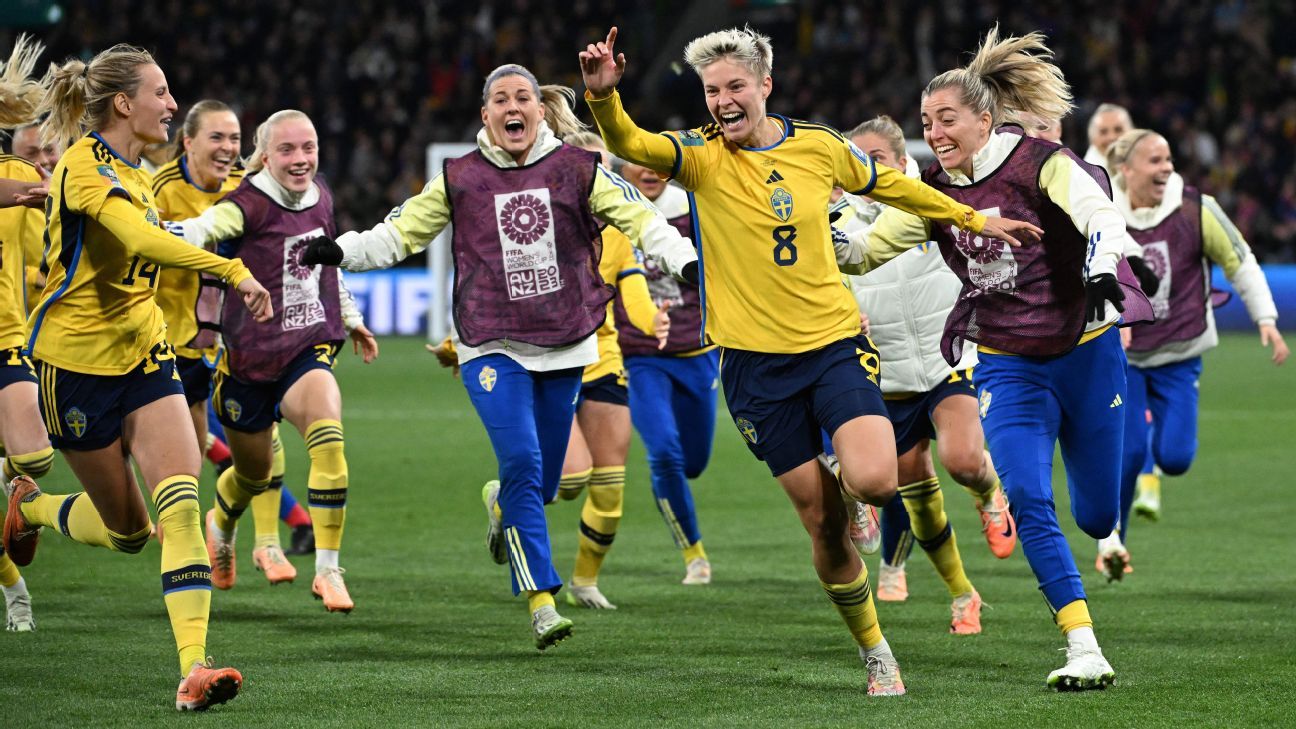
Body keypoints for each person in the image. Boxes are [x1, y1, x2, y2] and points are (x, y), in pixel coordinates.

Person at [579, 25, 1041, 696]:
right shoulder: (700, 158)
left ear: (765, 85)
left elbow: (896, 189)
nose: (723, 100)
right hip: (753, 370)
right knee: (824, 528)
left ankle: (854, 490)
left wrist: (971, 218)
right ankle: (876, 650)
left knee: (879, 479)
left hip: (831, 347)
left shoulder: (821, 147)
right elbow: (629, 144)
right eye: (712, 90)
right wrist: (604, 101)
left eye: (736, 86)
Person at [299, 65, 699, 649]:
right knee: (524, 465)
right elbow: (402, 231)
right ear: (485, 115)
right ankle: (541, 600)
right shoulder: (460, 177)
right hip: (490, 343)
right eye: (500, 99)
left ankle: (499, 509)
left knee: (537, 486)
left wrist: (685, 258)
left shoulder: (578, 170)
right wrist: (343, 250)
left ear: (539, 110)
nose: (514, 107)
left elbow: (641, 219)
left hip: (565, 342)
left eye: (524, 98)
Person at [837, 27, 1153, 690]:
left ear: (985, 118)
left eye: (947, 118)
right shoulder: (934, 190)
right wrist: (798, 219)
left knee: (1095, 513)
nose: (936, 132)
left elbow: (1102, 216)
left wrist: (1101, 270)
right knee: (1030, 497)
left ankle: (1105, 528)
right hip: (1008, 362)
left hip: (1088, 351)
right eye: (927, 122)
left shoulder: (1041, 162)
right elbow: (861, 253)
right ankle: (1082, 642)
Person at [2, 43, 271, 710]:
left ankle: (193, 668)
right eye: (162, 93)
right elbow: (144, 240)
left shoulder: (143, 169)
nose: (173, 105)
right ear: (124, 103)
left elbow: (181, 206)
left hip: (146, 355)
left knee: (180, 503)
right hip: (76, 368)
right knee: (127, 531)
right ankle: (28, 506)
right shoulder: (84, 170)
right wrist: (232, 270)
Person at [165, 109, 376, 611]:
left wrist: (350, 317)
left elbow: (328, 265)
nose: (300, 158)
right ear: (263, 156)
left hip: (307, 347)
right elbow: (205, 228)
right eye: (287, 149)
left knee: (327, 432)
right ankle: (222, 522)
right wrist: (156, 232)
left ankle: (329, 570)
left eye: (309, 147)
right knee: (252, 475)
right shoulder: (246, 205)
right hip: (248, 362)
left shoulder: (322, 195)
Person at [832, 116, 1017, 620]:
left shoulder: (931, 202)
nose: (867, 172)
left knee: (962, 461)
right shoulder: (835, 223)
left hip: (948, 358)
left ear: (901, 161)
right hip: (885, 373)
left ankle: (989, 492)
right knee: (918, 500)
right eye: (857, 163)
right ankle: (963, 594)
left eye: (878, 161)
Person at [1099, 128, 1288, 572]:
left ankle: (1152, 465)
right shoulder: (1104, 212)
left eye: (1168, 159)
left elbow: (1240, 261)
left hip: (1180, 354)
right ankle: (1112, 543)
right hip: (1123, 360)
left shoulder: (1196, 210)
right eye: (1155, 160)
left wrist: (1267, 319)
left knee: (1177, 458)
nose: (1166, 167)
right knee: (1125, 455)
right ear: (1125, 170)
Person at [551, 131, 669, 609]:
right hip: (551, 361)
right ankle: (503, 499)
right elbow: (502, 295)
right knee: (568, 481)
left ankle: (584, 581)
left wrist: (651, 319)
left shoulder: (620, 233)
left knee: (610, 482)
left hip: (603, 359)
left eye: (604, 169)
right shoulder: (543, 226)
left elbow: (633, 292)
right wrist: (462, 344)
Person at [614, 159, 719, 586]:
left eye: (654, 162)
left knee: (692, 463)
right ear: (622, 172)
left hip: (698, 350)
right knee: (664, 454)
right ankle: (694, 555)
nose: (648, 170)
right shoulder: (613, 212)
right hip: (640, 355)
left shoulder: (694, 207)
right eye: (637, 163)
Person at [0, 34, 47, 632]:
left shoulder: (19, 173)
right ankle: (17, 595)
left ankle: (21, 499)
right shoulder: (18, 181)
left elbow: (48, 254)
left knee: (35, 456)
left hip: (6, 339)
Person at [7, 121, 62, 311]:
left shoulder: (80, 195)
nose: (44, 160)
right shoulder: (11, 202)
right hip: (23, 319)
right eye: (31, 154)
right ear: (15, 161)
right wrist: (33, 277)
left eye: (49, 150)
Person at [1084, 103, 1132, 171]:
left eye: (1118, 130)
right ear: (1093, 139)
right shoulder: (1081, 177)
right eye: (1103, 132)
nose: (1111, 137)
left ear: (1132, 132)